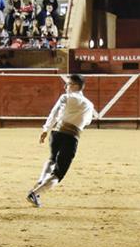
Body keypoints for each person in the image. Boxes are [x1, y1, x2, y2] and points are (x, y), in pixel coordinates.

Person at [27, 74, 94, 208]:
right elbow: (87, 122)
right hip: (72, 136)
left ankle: (40, 182)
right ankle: (35, 193)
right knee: (59, 172)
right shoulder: (89, 104)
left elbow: (54, 112)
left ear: (75, 86)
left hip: (56, 133)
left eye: (68, 84)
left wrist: (46, 129)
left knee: (52, 159)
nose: (65, 86)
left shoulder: (65, 97)